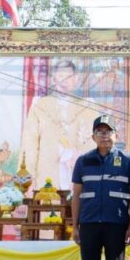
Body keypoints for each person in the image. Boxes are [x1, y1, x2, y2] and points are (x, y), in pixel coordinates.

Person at [70, 115, 130, 260]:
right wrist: (75, 226)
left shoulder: (127, 162)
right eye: (100, 132)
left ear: (116, 135)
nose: (104, 135)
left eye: (108, 131)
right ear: (93, 136)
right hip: (89, 223)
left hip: (116, 223)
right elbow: (76, 195)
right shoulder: (83, 161)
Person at [23, 59, 100, 190]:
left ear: (76, 79)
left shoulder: (88, 106)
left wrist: (80, 156)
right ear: (53, 79)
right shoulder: (39, 105)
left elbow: (95, 141)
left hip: (78, 173)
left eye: (69, 77)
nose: (64, 81)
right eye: (60, 76)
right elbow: (30, 144)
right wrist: (27, 181)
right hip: (47, 175)